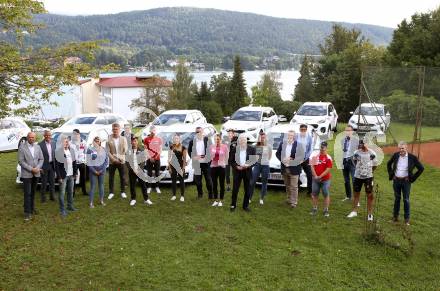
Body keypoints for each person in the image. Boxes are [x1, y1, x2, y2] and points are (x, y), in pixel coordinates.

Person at [386, 141, 424, 225]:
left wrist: (412, 178)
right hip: (396, 181)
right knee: (397, 199)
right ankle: (395, 218)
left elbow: (421, 168)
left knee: (406, 200)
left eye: (402, 148)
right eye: (399, 148)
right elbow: (389, 164)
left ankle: (406, 220)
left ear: (406, 148)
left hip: (406, 182)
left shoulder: (412, 158)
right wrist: (391, 174)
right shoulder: (396, 155)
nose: (401, 150)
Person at [347, 140, 378, 221]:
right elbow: (354, 160)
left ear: (367, 144)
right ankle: (354, 211)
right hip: (357, 176)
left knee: (369, 195)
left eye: (363, 143)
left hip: (368, 177)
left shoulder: (372, 153)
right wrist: (358, 168)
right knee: (356, 193)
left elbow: (375, 165)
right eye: (360, 143)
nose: (361, 145)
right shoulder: (356, 152)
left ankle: (370, 214)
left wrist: (369, 171)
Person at [18, 132, 44, 221]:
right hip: (27, 174)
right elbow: (21, 162)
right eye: (30, 137)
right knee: (27, 193)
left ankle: (32, 208)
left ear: (35, 138)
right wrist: (31, 169)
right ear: (27, 138)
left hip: (36, 173)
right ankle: (27, 212)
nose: (31, 139)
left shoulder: (37, 147)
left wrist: (37, 168)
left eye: (33, 137)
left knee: (33, 192)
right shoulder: (22, 147)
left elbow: (41, 159)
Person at [276, 130, 302, 208]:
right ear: (287, 136)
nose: (290, 136)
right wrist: (282, 159)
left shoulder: (299, 145)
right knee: (287, 186)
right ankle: (289, 199)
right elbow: (277, 153)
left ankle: (294, 202)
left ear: (294, 136)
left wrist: (292, 159)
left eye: (292, 135)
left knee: (294, 186)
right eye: (289, 135)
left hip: (294, 169)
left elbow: (301, 156)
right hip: (285, 168)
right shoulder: (282, 144)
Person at [229, 134, 254, 212]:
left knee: (247, 189)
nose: (242, 141)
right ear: (238, 141)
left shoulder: (252, 149)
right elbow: (231, 161)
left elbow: (254, 160)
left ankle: (245, 206)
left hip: (247, 171)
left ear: (246, 141)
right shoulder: (234, 149)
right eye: (241, 140)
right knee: (235, 189)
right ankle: (233, 205)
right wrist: (236, 166)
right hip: (237, 171)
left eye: (244, 140)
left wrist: (248, 165)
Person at [55, 135, 78, 216]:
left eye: (67, 141)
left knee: (70, 192)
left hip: (71, 175)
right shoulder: (58, 152)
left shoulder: (71, 150)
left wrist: (75, 173)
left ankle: (70, 206)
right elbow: (56, 166)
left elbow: (75, 162)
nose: (67, 142)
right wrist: (59, 177)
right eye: (65, 141)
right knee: (62, 193)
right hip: (63, 176)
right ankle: (62, 210)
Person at [188, 126, 213, 199]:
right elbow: (189, 151)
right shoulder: (192, 141)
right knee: (198, 180)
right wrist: (193, 157)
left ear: (203, 132)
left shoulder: (208, 140)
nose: (198, 133)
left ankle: (210, 194)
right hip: (197, 163)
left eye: (200, 131)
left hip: (206, 163)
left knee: (208, 179)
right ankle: (200, 194)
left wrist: (207, 158)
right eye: (197, 132)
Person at [310, 141, 333, 217]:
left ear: (326, 148)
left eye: (323, 147)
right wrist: (315, 176)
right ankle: (314, 208)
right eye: (321, 146)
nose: (322, 148)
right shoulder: (314, 155)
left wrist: (320, 176)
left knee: (325, 193)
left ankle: (326, 209)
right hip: (315, 179)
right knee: (315, 193)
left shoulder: (328, 158)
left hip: (325, 179)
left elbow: (328, 169)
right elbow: (312, 166)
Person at [127, 137, 153, 206]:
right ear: (131, 142)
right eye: (133, 141)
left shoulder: (141, 150)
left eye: (135, 141)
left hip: (140, 171)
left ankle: (146, 199)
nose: (134, 142)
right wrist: (133, 169)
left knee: (143, 185)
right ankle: (133, 199)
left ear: (137, 142)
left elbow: (143, 161)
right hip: (132, 171)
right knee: (132, 185)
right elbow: (127, 162)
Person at [249, 131, 271, 205]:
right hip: (257, 165)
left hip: (265, 165)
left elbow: (270, 156)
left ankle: (261, 198)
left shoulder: (269, 146)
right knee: (252, 182)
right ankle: (249, 198)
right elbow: (256, 155)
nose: (263, 139)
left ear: (266, 138)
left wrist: (265, 161)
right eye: (261, 138)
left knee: (264, 182)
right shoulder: (257, 146)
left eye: (264, 137)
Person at [107, 122, 128, 200]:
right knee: (111, 177)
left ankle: (123, 192)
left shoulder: (123, 139)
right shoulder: (109, 138)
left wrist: (120, 158)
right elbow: (107, 151)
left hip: (121, 161)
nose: (115, 130)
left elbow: (125, 150)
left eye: (116, 129)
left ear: (119, 130)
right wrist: (113, 159)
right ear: (112, 129)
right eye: (113, 129)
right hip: (112, 162)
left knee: (122, 177)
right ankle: (111, 192)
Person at [87, 136, 108, 208]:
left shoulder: (104, 150)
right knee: (92, 186)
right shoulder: (90, 150)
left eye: (98, 141)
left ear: (100, 142)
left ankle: (101, 200)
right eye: (95, 141)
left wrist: (102, 170)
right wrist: (94, 171)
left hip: (102, 171)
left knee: (101, 185)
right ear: (93, 142)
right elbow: (88, 162)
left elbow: (106, 161)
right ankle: (91, 203)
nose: (97, 142)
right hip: (93, 171)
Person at [209, 133, 229, 207]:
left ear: (220, 139)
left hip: (221, 167)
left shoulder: (224, 147)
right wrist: (211, 157)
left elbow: (227, 157)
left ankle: (221, 200)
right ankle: (216, 200)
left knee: (221, 184)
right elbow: (209, 156)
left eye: (218, 139)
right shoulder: (211, 147)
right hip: (213, 167)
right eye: (215, 139)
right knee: (214, 184)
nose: (216, 140)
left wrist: (223, 162)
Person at [341, 125, 359, 201]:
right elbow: (343, 150)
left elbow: (359, 151)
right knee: (346, 180)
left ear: (352, 131)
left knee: (354, 180)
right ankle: (348, 196)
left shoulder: (356, 140)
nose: (347, 132)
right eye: (346, 130)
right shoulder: (342, 140)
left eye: (349, 130)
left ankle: (356, 198)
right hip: (345, 161)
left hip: (352, 162)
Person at [143, 125, 163, 194]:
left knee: (157, 173)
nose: (153, 132)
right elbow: (145, 149)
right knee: (149, 173)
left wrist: (155, 157)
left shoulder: (159, 139)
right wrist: (150, 157)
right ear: (150, 131)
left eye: (154, 131)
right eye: (152, 131)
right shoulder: (146, 139)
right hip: (149, 159)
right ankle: (149, 187)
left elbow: (160, 149)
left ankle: (157, 187)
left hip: (157, 159)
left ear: (156, 131)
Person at [168, 134, 187, 202]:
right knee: (173, 181)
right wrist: (169, 167)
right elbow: (169, 158)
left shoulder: (183, 147)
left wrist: (183, 168)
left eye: (177, 138)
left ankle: (182, 196)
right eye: (175, 138)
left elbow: (184, 159)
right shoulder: (171, 147)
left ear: (179, 139)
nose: (176, 140)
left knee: (181, 181)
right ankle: (174, 195)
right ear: (173, 140)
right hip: (173, 166)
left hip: (180, 166)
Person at [38, 130, 55, 202]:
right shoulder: (39, 145)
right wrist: (40, 167)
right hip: (44, 166)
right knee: (44, 183)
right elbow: (38, 157)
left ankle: (52, 197)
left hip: (52, 165)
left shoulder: (54, 144)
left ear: (51, 136)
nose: (48, 136)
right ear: (44, 136)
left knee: (52, 182)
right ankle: (43, 198)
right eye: (46, 135)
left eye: (49, 135)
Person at [296, 124, 313, 195]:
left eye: (304, 130)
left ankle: (310, 191)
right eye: (302, 129)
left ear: (306, 130)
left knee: (309, 174)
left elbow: (310, 149)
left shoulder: (309, 137)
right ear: (300, 129)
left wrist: (305, 158)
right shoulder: (296, 136)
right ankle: (297, 190)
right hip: (297, 158)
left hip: (306, 158)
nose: (303, 131)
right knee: (297, 175)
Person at [71, 129, 88, 196]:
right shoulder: (70, 143)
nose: (75, 135)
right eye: (74, 134)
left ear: (79, 134)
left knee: (83, 178)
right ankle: (73, 192)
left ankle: (84, 191)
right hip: (74, 163)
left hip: (82, 163)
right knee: (74, 177)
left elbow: (86, 152)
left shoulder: (83, 142)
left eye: (76, 134)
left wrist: (85, 160)